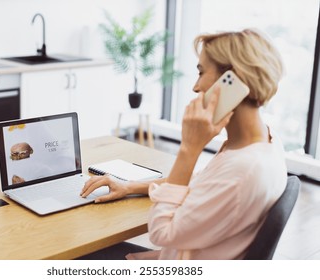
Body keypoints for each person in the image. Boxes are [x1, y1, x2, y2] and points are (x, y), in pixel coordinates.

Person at [80, 28, 287, 260]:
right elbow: (197, 185)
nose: (196, 87)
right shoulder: (266, 141)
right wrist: (128, 187)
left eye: (201, 73)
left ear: (232, 81)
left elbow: (161, 232)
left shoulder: (243, 170)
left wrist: (190, 147)